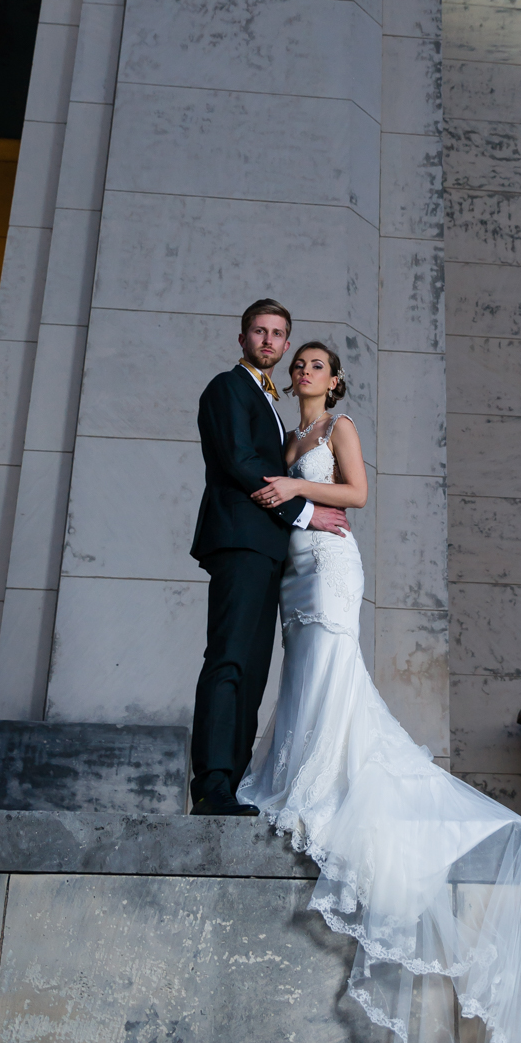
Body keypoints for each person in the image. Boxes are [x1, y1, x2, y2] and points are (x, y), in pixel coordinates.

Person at [241, 341, 521, 1043]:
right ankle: (303, 770)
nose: (305, 368)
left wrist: (295, 493)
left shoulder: (335, 432)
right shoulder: (288, 427)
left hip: (332, 563)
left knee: (331, 675)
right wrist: (283, 491)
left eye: (315, 360)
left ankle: (318, 782)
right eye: (299, 361)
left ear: (334, 378)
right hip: (296, 574)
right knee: (306, 676)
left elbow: (358, 495)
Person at [189, 302, 348, 816]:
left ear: (284, 344)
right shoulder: (226, 388)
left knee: (253, 669)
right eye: (260, 331)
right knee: (231, 660)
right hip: (240, 543)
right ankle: (211, 784)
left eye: (278, 334)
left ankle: (229, 784)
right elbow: (242, 462)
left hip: (268, 551)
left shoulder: (275, 405)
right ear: (243, 339)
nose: (269, 340)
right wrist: (306, 512)